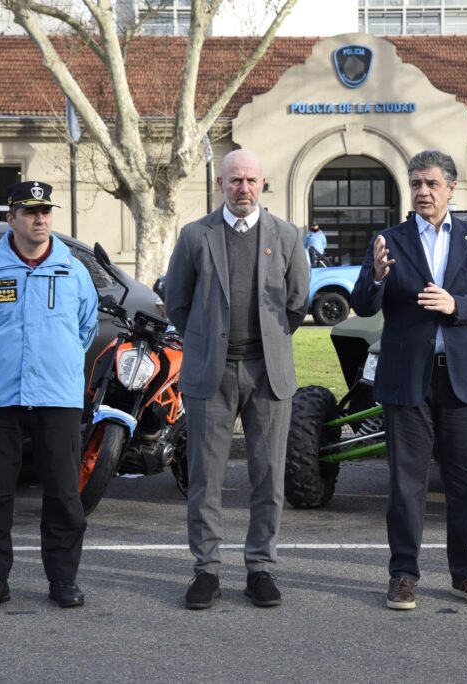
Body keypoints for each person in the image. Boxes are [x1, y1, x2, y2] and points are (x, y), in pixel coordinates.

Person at [351, 150, 467, 611]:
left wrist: (456, 305)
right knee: (405, 482)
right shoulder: (388, 240)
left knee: (466, 480)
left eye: (432, 184)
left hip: (464, 379)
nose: (423, 191)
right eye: (416, 183)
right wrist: (378, 277)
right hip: (408, 378)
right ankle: (403, 575)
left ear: (451, 188)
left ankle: (466, 574)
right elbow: (364, 305)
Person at [164, 149, 310, 610]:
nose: (242, 188)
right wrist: (206, 341)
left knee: (268, 477)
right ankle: (206, 570)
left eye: (250, 180)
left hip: (268, 374)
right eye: (234, 181)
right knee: (205, 479)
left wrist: (265, 343)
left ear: (262, 184)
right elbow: (177, 302)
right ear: (220, 185)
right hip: (212, 372)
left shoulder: (287, 236)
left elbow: (297, 302)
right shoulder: (194, 236)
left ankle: (260, 568)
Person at [0, 180, 99, 611]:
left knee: (62, 491)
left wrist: (54, 361)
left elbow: (86, 327)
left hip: (57, 395)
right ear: (11, 219)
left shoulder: (73, 270)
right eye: (30, 212)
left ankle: (62, 579)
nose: (40, 219)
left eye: (46, 211)